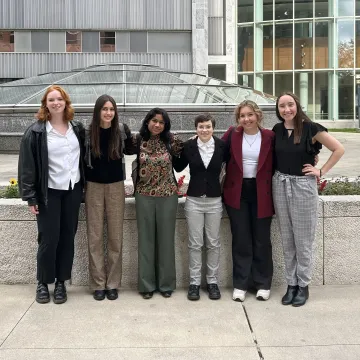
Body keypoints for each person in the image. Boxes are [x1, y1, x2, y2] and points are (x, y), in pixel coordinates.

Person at [273, 92, 345, 307]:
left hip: (303, 187)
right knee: (287, 239)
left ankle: (303, 285)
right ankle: (291, 284)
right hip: (280, 184)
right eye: (282, 106)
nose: (286, 109)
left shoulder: (311, 128)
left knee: (303, 240)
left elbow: (338, 149)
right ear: (278, 110)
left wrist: (320, 171)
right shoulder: (276, 130)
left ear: (297, 105)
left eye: (290, 105)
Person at [18, 85, 85, 304]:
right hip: (49, 193)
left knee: (67, 237)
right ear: (45, 104)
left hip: (72, 191)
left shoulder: (77, 128)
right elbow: (27, 167)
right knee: (48, 238)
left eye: (60, 99)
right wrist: (30, 197)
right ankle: (42, 282)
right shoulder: (36, 132)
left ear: (66, 102)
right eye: (51, 100)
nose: (56, 103)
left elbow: (83, 159)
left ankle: (61, 283)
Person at [222, 100, 274, 302]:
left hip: (263, 192)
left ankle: (263, 283)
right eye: (242, 116)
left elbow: (282, 158)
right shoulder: (232, 134)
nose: (246, 119)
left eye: (250, 115)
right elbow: (219, 152)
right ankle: (241, 284)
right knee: (241, 239)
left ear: (258, 115)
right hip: (237, 192)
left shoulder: (269, 136)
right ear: (238, 119)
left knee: (262, 240)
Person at [84, 94, 133, 301]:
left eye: (111, 109)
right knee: (94, 237)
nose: (108, 113)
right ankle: (98, 284)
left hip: (115, 186)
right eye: (104, 109)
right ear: (98, 111)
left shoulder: (121, 131)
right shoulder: (86, 133)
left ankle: (112, 283)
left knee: (115, 237)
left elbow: (134, 148)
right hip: (93, 187)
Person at [173, 114, 226, 301]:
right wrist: (175, 149)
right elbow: (178, 167)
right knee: (195, 244)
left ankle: (212, 282)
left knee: (213, 243)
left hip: (214, 201)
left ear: (213, 128)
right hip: (194, 200)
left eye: (208, 126)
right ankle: (194, 283)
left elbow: (233, 166)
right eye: (201, 127)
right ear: (196, 128)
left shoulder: (221, 146)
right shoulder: (189, 147)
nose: (204, 130)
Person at [134, 108, 183, 299]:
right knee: (146, 242)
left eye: (161, 122)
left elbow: (182, 163)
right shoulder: (137, 141)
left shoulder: (172, 141)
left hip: (168, 195)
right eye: (154, 121)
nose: (157, 125)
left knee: (165, 241)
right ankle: (146, 286)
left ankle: (166, 284)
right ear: (147, 122)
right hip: (143, 195)